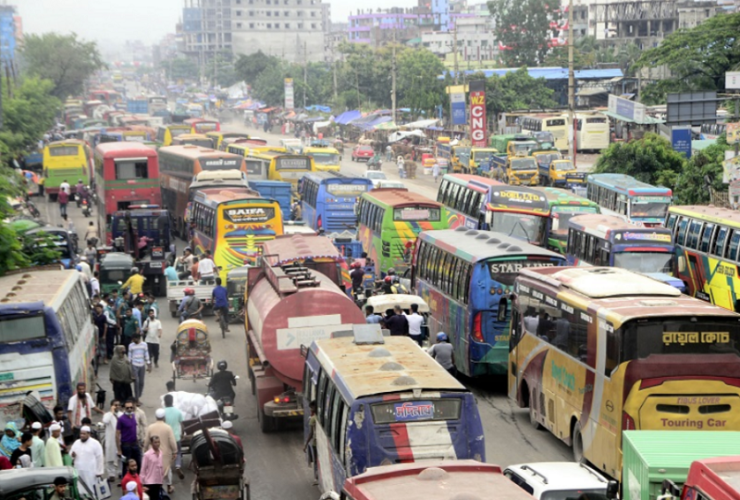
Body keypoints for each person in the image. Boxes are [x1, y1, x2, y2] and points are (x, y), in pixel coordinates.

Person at [144, 410, 177, 494]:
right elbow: (172, 441)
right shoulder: (168, 427)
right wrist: (175, 451)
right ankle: (169, 487)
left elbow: (146, 441)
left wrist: (145, 450)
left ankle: (156, 486)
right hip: (165, 454)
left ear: (156, 417)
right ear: (164, 417)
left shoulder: (150, 427)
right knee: (167, 470)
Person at [117, 399, 142, 477]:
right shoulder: (121, 419)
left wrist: (138, 442)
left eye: (131, 407)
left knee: (138, 463)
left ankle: (137, 480)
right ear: (124, 408)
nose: (129, 409)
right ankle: (125, 482)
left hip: (135, 444)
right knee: (126, 465)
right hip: (126, 446)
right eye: (127, 408)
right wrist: (119, 450)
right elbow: (117, 435)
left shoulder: (133, 416)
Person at [163, 394, 185, 480]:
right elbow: (182, 424)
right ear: (172, 401)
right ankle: (178, 466)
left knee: (167, 453)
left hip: (166, 438)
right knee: (178, 452)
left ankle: (167, 468)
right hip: (176, 437)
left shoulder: (163, 412)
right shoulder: (178, 411)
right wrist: (182, 434)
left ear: (165, 402)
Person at [128, 334, 151, 403]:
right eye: (133, 339)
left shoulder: (144, 345)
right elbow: (129, 356)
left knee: (141, 382)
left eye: (135, 339)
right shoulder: (131, 345)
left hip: (142, 365)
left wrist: (148, 364)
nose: (133, 341)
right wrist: (129, 367)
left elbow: (146, 354)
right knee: (136, 382)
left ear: (138, 338)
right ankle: (137, 398)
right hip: (134, 365)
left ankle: (138, 395)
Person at [140, 435, 165, 500]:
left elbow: (161, 467)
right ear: (151, 443)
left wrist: (161, 480)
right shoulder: (147, 455)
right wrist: (141, 484)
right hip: (149, 482)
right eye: (155, 442)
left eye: (158, 442)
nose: (157, 444)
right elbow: (143, 469)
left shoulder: (161, 453)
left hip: (158, 482)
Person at [102, 400, 121, 481]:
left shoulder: (122, 415)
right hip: (110, 439)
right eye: (115, 405)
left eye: (118, 405)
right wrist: (112, 412)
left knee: (120, 457)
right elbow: (105, 421)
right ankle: (111, 474)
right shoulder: (107, 415)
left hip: (120, 439)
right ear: (111, 406)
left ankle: (120, 472)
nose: (117, 406)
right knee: (110, 458)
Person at [303, 401, 317, 479]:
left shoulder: (312, 419)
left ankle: (316, 477)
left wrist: (305, 445)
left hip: (315, 443)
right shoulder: (317, 417)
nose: (311, 409)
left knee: (316, 461)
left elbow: (311, 434)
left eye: (312, 408)